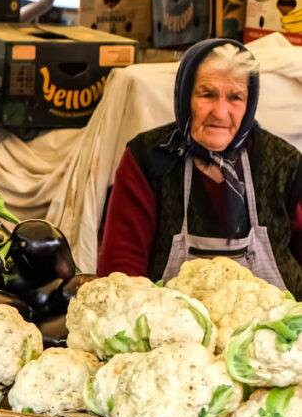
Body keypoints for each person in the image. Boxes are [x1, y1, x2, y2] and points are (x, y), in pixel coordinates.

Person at [98, 38, 302, 295]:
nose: (220, 112)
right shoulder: (149, 159)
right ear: (184, 96)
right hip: (172, 331)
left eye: (235, 98)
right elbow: (121, 275)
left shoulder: (284, 162)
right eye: (207, 94)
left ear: (250, 104)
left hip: (280, 330)